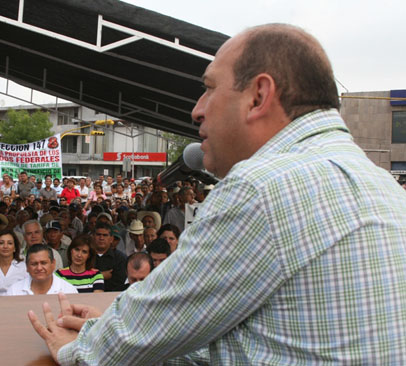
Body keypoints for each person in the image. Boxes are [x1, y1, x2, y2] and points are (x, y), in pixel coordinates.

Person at [30, 24, 406, 365]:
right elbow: (261, 343)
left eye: (209, 89)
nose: (197, 111)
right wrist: (123, 328)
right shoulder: (383, 185)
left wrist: (81, 347)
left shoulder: (261, 186)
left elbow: (123, 345)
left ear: (259, 95)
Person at [6, 244, 77, 296]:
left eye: (43, 263)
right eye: (34, 264)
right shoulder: (14, 291)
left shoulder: (69, 291)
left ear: (53, 264)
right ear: (27, 267)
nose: (39, 268)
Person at [91, 222, 126, 292]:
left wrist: (91, 277)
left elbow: (119, 284)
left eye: (105, 235)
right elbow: (79, 277)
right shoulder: (86, 256)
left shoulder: (120, 258)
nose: (101, 238)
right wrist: (101, 275)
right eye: (98, 235)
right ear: (93, 237)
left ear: (111, 239)